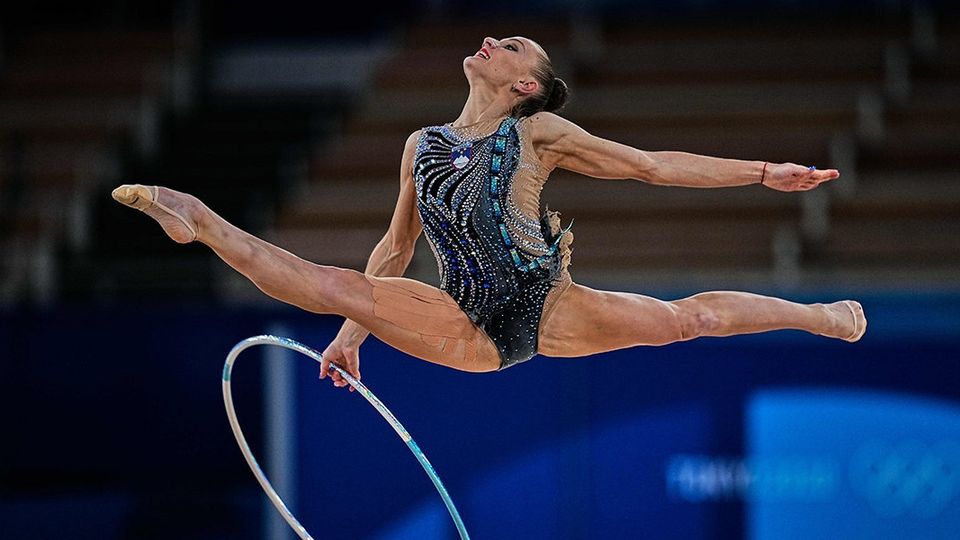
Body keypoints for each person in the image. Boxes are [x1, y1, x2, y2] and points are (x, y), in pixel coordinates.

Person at [112, 36, 866, 392]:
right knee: (335, 285)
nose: (488, 43)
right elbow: (396, 247)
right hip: (466, 323)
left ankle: (820, 316)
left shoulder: (537, 133)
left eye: (508, 47)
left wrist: (761, 172)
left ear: (524, 86)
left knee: (689, 320)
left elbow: (650, 165)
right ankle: (199, 218)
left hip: (551, 305)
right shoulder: (422, 146)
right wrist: (351, 335)